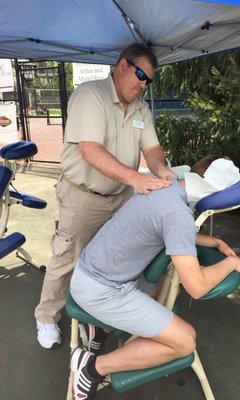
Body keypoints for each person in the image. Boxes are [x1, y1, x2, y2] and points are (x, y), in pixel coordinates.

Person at [34, 43, 176, 349]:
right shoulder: (90, 95)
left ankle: (94, 317)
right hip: (83, 195)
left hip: (121, 195)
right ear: (123, 66)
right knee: (68, 257)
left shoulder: (140, 108)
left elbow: (151, 149)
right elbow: (90, 151)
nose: (143, 84)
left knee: (115, 257)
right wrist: (137, 178)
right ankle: (46, 316)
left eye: (148, 80)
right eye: (140, 75)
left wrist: (162, 170)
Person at [69, 156, 240, 400]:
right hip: (101, 290)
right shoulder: (177, 214)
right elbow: (197, 288)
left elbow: (169, 228)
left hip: (95, 271)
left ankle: (101, 331)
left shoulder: (165, 187)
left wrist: (213, 241)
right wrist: (232, 263)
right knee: (185, 341)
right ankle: (91, 367)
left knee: (157, 289)